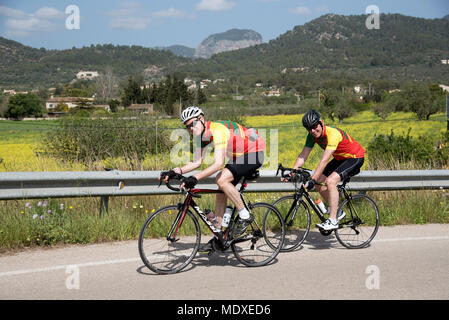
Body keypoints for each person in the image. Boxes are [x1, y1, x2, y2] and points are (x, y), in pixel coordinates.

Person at [159, 106, 266, 251]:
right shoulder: (200, 137)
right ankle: (219, 237)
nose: (190, 129)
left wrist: (195, 178)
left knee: (220, 179)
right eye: (187, 127)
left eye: (192, 124)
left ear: (201, 119)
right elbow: (196, 162)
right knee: (220, 193)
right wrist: (174, 171)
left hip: (254, 151)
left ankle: (245, 215)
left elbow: (218, 164)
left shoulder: (217, 130)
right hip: (238, 155)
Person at [283, 109, 365, 231]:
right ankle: (337, 211)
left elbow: (324, 160)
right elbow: (303, 155)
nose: (312, 131)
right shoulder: (311, 136)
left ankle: (332, 221)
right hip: (340, 158)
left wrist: (312, 179)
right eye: (309, 128)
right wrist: (293, 172)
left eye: (314, 126)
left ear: (321, 123)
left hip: (355, 157)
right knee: (317, 182)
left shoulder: (332, 134)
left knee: (330, 181)